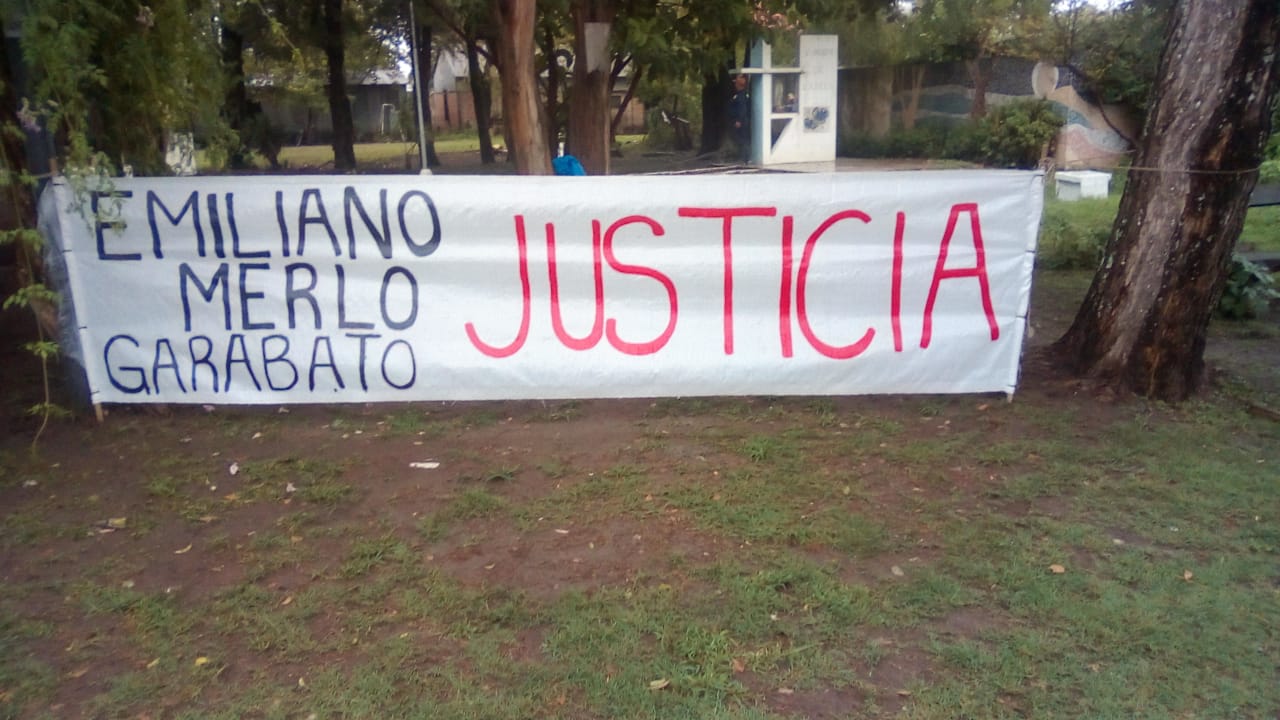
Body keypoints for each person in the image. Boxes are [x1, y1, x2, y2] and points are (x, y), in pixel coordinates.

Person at [729, 73, 751, 164]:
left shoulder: (742, 95)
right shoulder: (739, 94)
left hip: (742, 122)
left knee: (743, 139)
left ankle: (745, 159)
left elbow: (743, 109)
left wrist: (739, 120)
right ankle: (744, 158)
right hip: (741, 121)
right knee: (741, 139)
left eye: (737, 82)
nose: (735, 84)